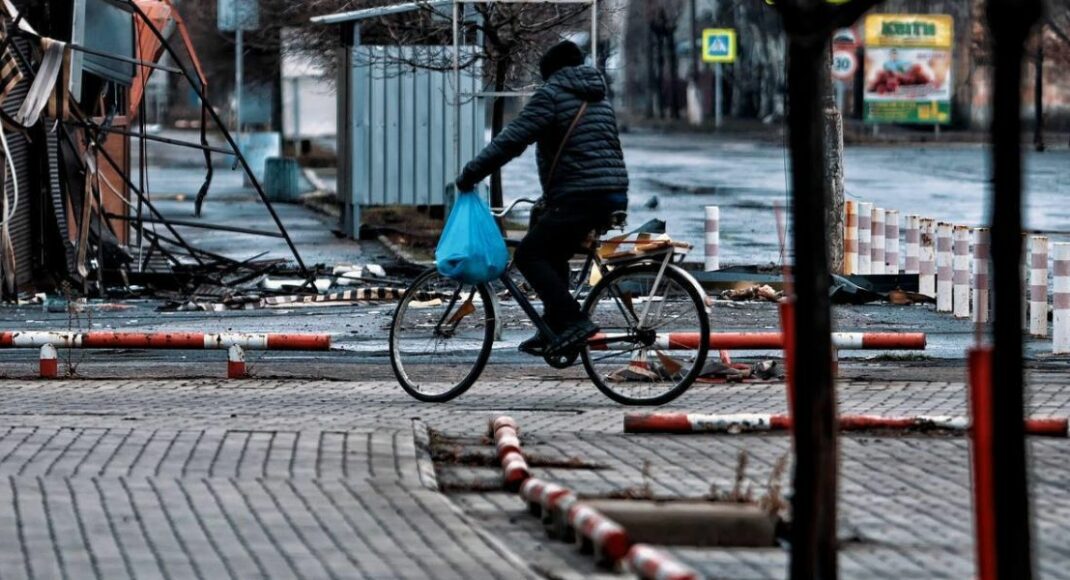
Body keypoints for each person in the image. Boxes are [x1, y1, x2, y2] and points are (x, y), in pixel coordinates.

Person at [454, 40, 629, 356]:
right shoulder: (598, 98)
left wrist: (471, 174)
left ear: (551, 72)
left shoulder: (552, 95)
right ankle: (553, 328)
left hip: (581, 195)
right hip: (611, 193)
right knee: (552, 248)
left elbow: (512, 140)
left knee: (528, 256)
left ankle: (575, 321)